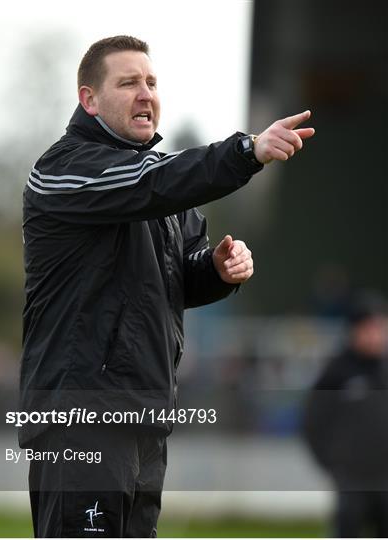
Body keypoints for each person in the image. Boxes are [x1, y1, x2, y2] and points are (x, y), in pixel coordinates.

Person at [20, 35, 315, 537]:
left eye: (152, 82)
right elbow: (149, 184)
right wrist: (246, 151)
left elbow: (176, 277)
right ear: (89, 99)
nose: (145, 93)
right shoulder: (64, 169)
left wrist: (217, 271)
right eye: (129, 82)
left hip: (145, 418)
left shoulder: (163, 190)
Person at [303, 291, 388, 538]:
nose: (375, 335)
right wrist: (335, 465)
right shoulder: (337, 372)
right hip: (352, 481)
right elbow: (313, 423)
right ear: (354, 331)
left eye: (379, 327)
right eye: (368, 328)